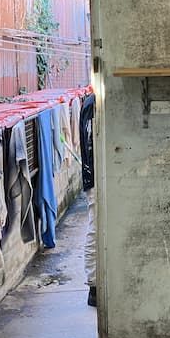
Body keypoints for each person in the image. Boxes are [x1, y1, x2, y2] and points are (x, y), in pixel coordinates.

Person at [79, 93, 97, 306]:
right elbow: (92, 145)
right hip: (94, 178)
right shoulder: (93, 104)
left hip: (95, 176)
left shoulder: (91, 102)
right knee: (96, 228)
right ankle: (94, 286)